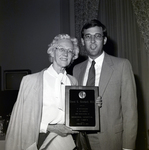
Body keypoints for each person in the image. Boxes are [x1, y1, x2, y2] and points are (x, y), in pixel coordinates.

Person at [5, 34, 80, 150]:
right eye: (61, 49)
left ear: (73, 56)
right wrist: (50, 127)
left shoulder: (73, 81)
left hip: (67, 142)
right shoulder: (31, 81)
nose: (65, 53)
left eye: (70, 51)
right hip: (38, 141)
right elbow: (22, 120)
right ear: (52, 52)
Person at [73, 19, 138, 150]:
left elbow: (130, 111)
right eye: (88, 36)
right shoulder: (76, 69)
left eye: (97, 36)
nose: (92, 41)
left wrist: (128, 147)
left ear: (104, 40)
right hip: (81, 140)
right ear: (82, 41)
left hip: (111, 140)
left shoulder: (122, 65)